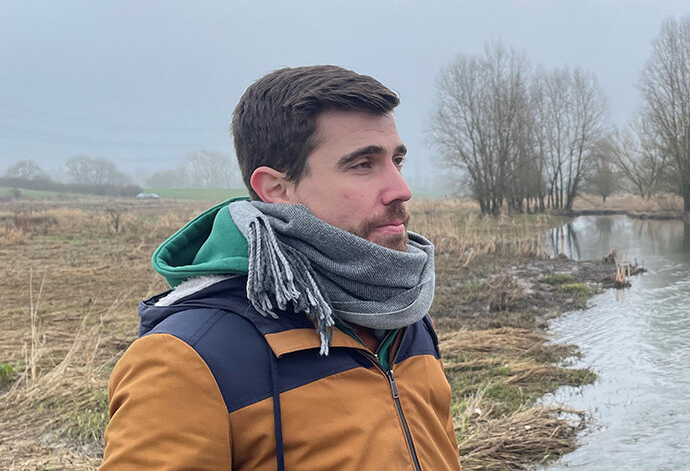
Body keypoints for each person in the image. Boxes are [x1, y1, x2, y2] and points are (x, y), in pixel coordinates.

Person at [101, 66, 461, 470]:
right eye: (363, 164)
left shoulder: (404, 316)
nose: (401, 189)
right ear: (276, 190)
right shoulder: (185, 360)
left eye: (397, 160)